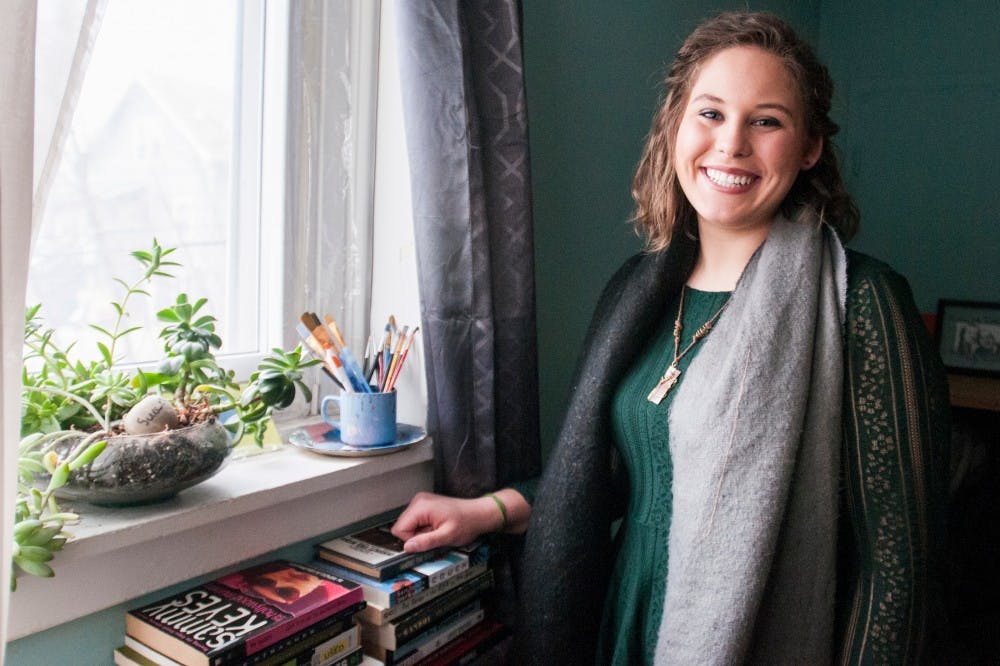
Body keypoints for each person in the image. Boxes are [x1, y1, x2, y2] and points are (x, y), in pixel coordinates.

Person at [392, 11, 950, 665]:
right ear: (677, 125)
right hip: (626, 618)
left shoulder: (864, 302)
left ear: (809, 149)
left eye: (766, 121)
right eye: (710, 113)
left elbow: (899, 566)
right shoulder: (638, 291)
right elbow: (608, 479)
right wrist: (484, 510)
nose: (732, 144)